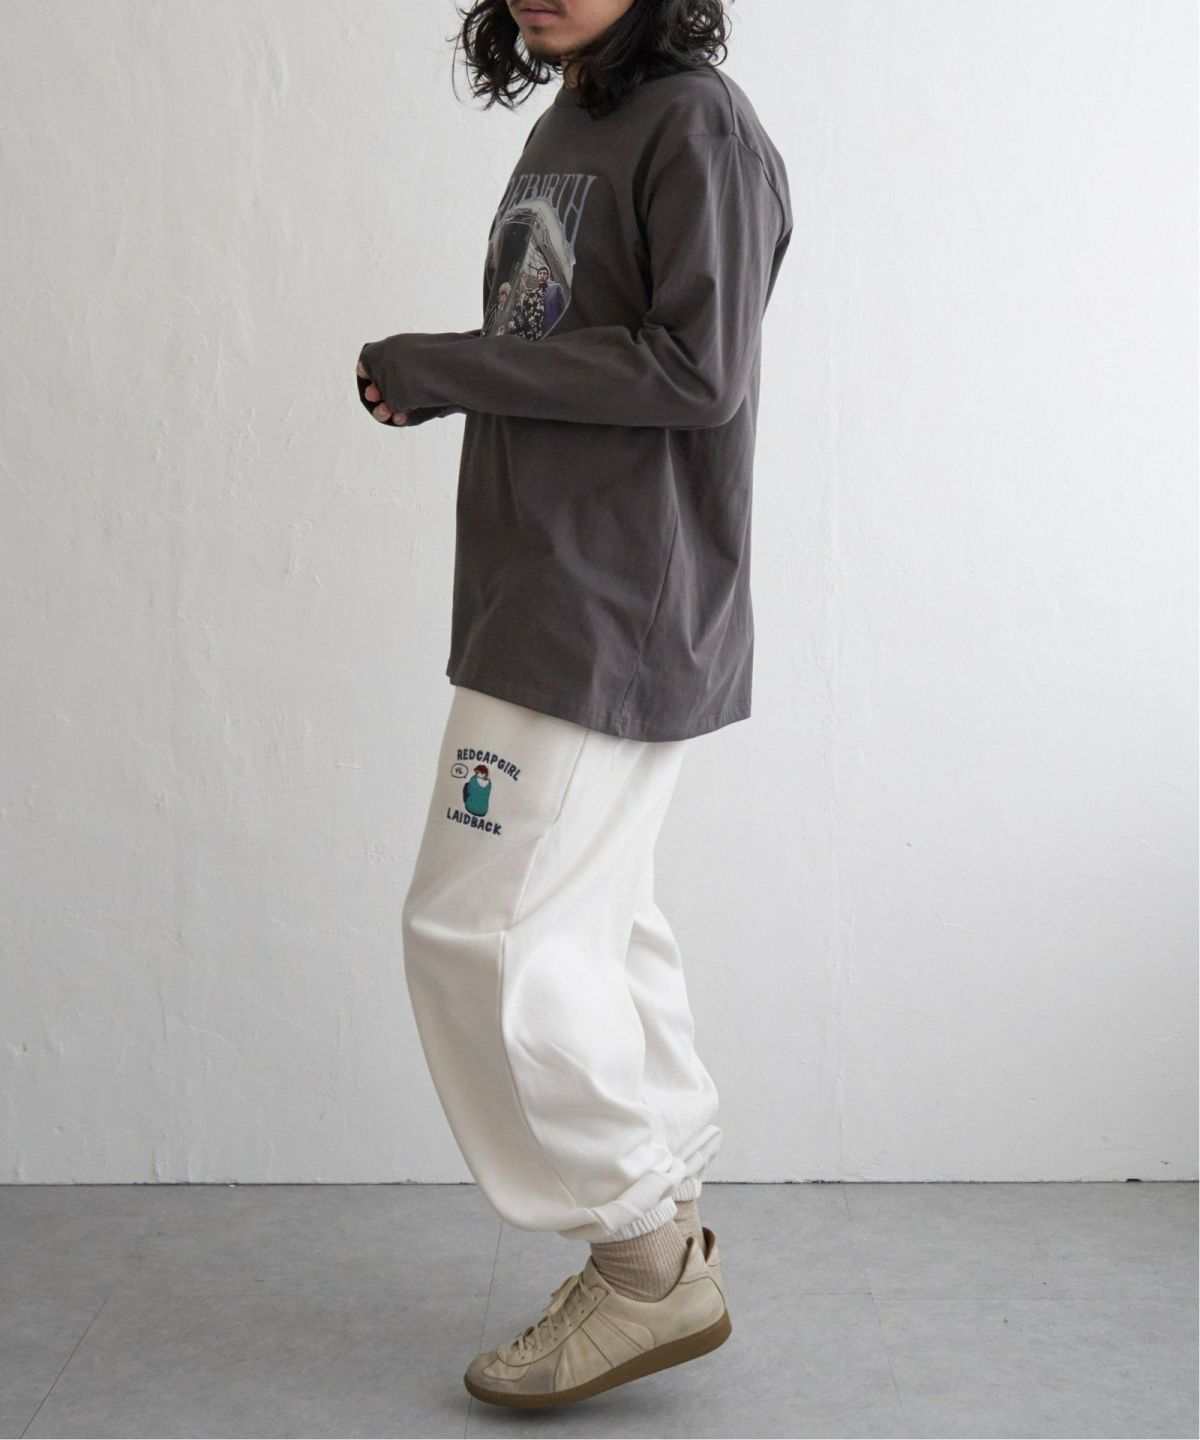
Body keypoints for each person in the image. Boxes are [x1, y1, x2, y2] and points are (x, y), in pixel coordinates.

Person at [355, 0, 791, 1409]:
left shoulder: (696, 125)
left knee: (477, 932)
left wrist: (448, 366)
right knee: (597, 925)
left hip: (611, 601)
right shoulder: (579, 115)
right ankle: (660, 1229)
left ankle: (642, 1260)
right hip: (543, 586)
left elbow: (698, 369)